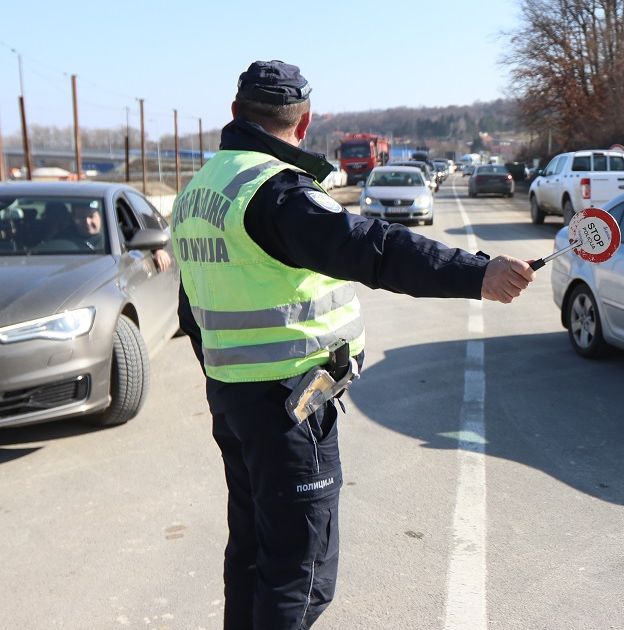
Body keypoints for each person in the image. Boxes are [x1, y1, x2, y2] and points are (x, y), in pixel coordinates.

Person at [171, 60, 534, 628]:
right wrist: (477, 273)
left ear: (236, 114)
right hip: (288, 409)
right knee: (299, 576)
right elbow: (374, 248)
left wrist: (225, 374)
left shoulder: (199, 190)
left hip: (234, 401)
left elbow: (191, 307)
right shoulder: (274, 192)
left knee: (251, 553)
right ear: (305, 122)